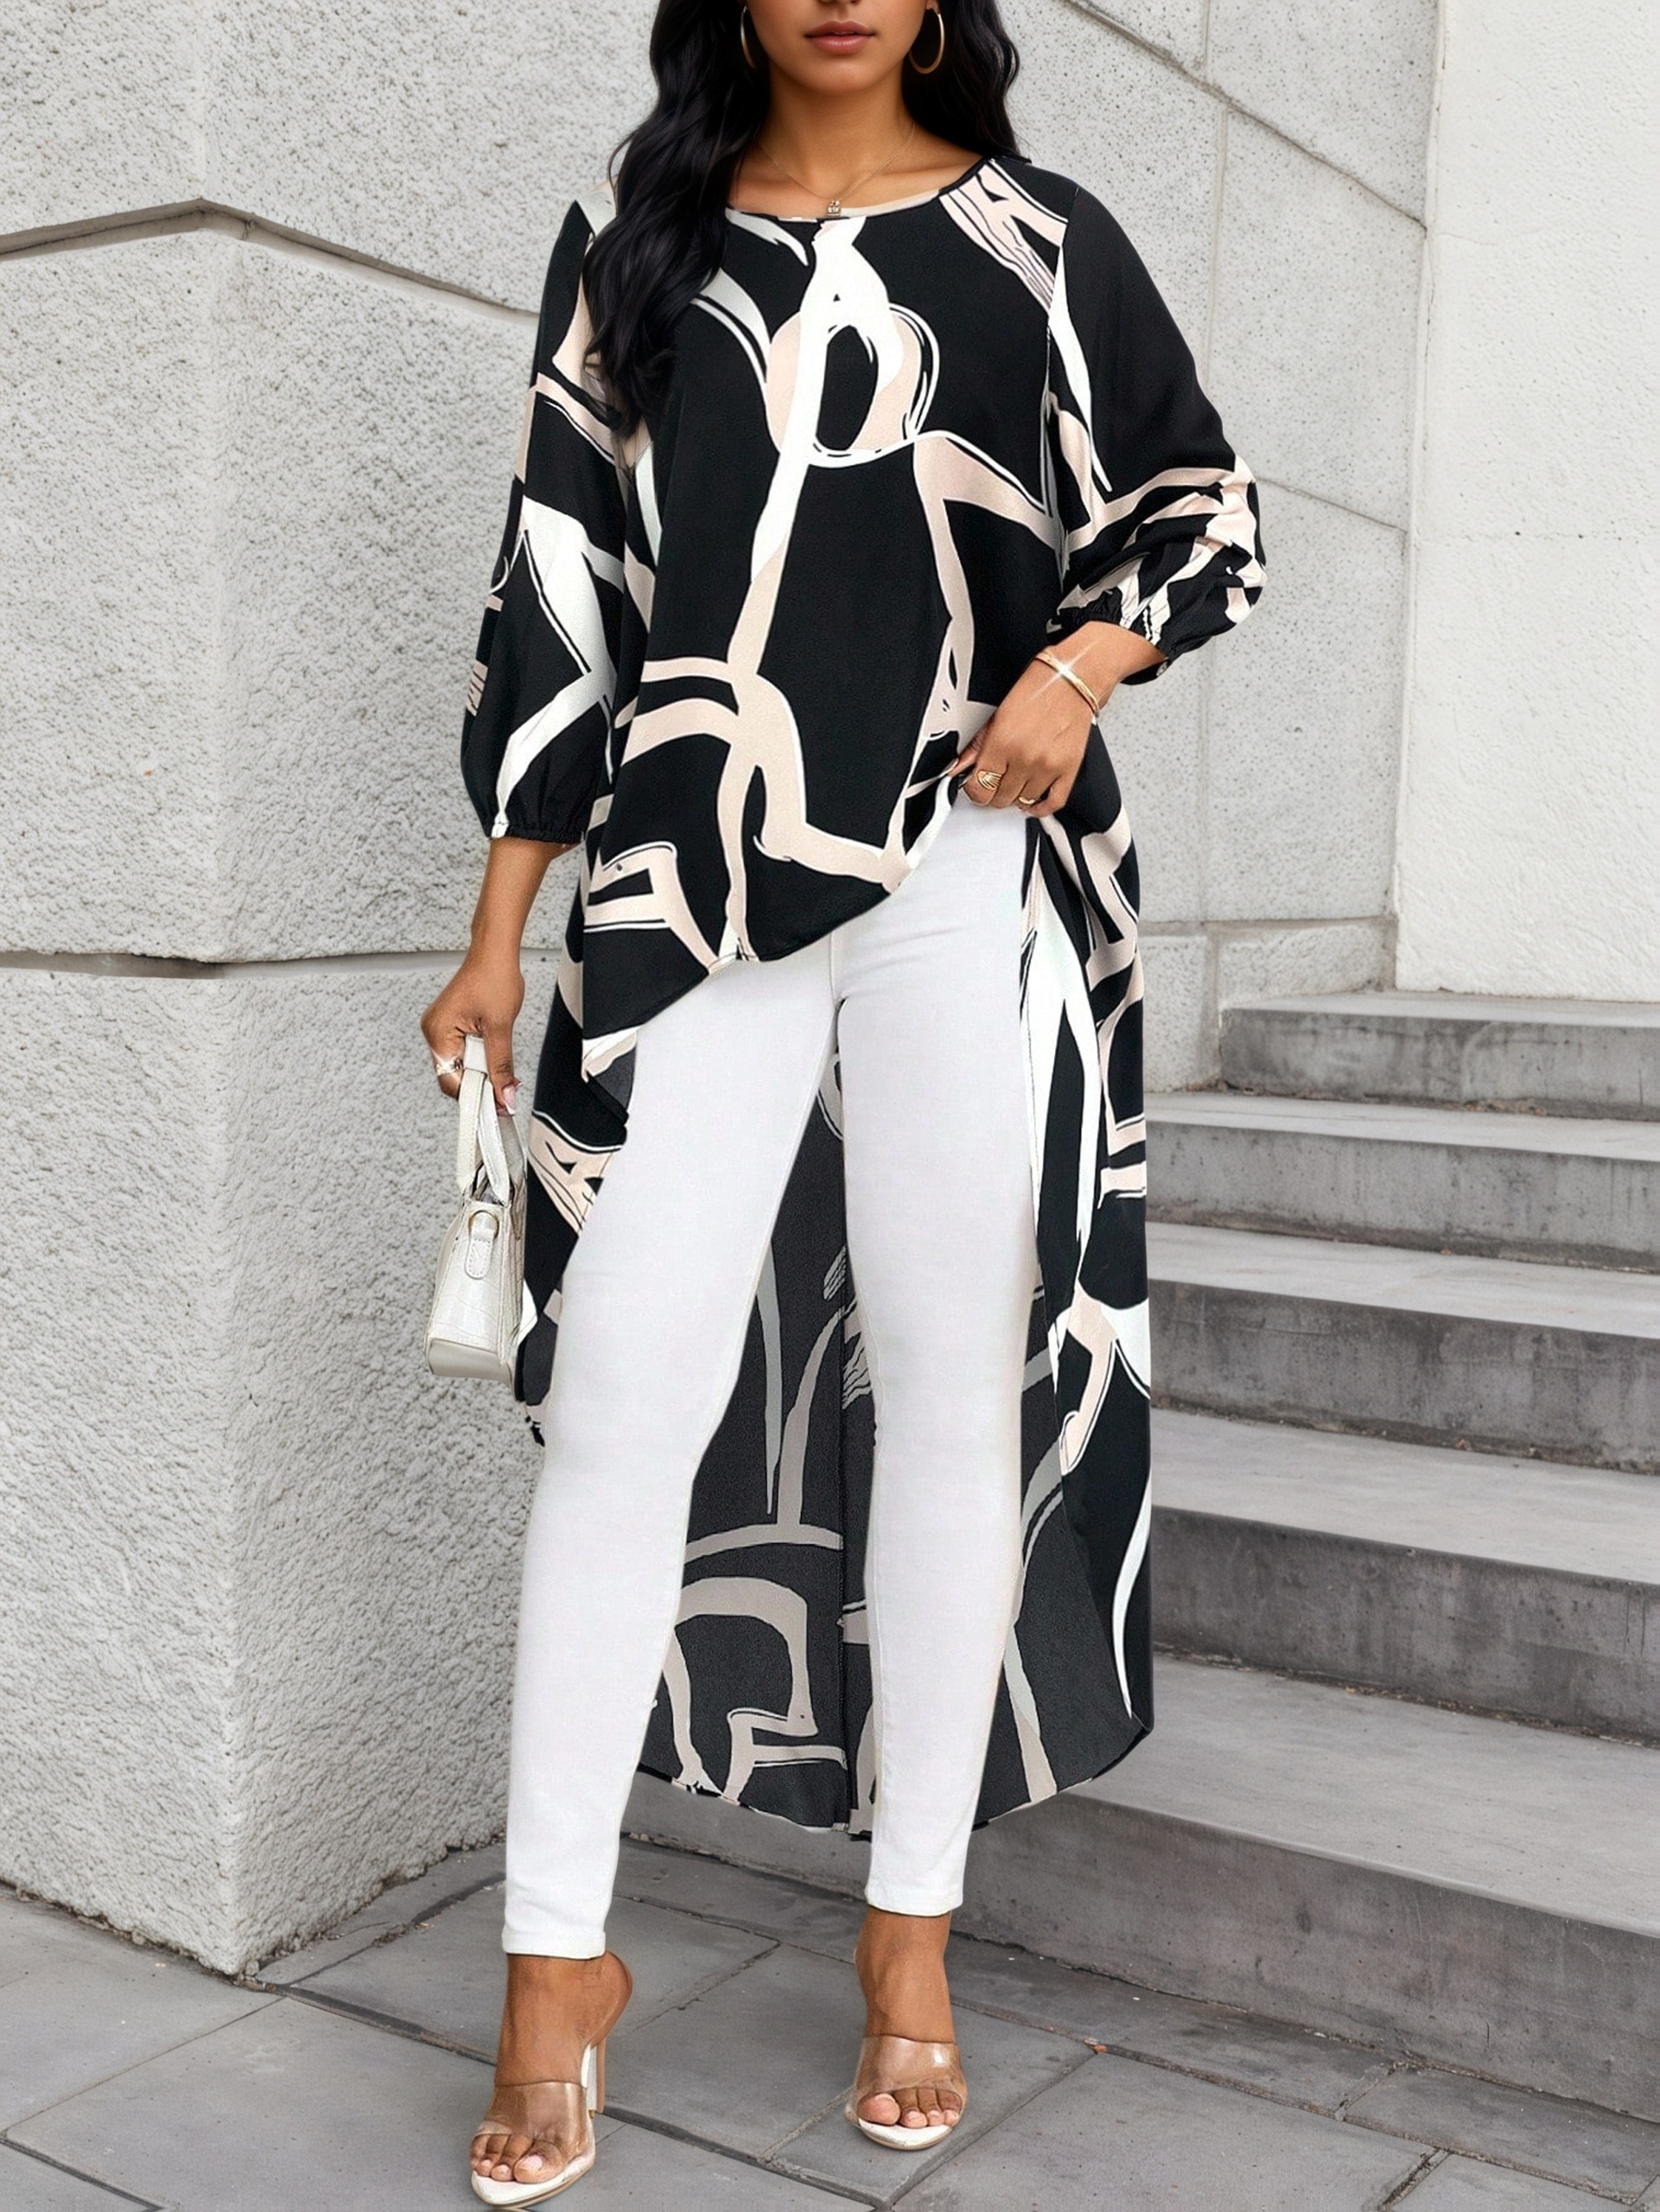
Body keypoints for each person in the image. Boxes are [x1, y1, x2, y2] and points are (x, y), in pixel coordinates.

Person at [422, 0, 1263, 2197]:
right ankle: (551, 1964)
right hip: (686, 877)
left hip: (965, 866)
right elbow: (559, 587)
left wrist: (1075, 666)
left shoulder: (1043, 244)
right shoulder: (639, 240)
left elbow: (1200, 506)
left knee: (952, 1385)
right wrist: (500, 925)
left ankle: (909, 1931)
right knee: (622, 1395)